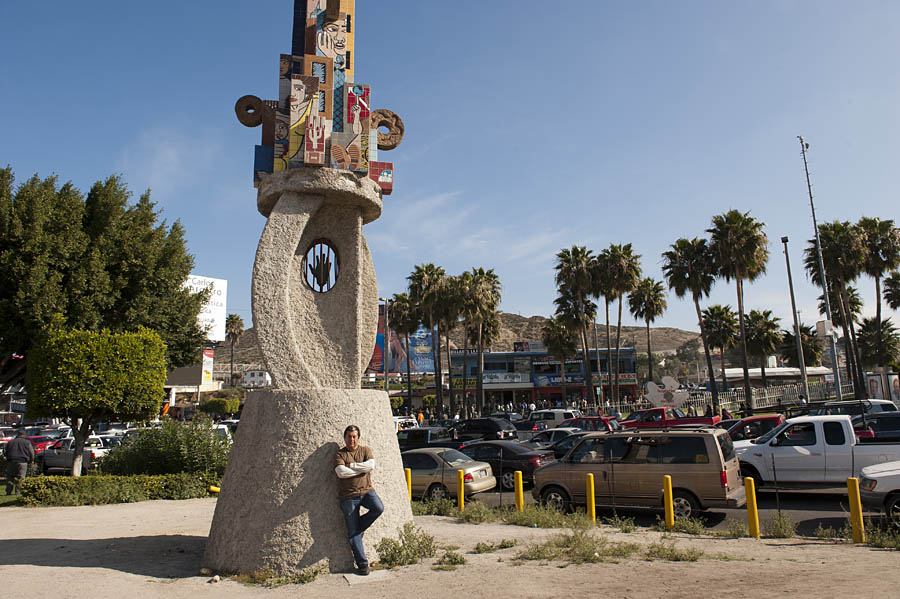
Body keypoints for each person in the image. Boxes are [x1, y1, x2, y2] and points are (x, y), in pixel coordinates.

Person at [334, 425, 383, 576]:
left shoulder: (365, 450)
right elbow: (341, 472)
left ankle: (358, 528)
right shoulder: (340, 454)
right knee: (353, 532)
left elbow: (370, 465)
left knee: (378, 508)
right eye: (349, 436)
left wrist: (352, 466)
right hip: (348, 497)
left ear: (358, 438)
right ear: (345, 438)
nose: (352, 439)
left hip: (367, 491)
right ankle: (362, 564)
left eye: (354, 436)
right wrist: (361, 469)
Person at [4, 431, 35, 496]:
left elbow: (5, 452)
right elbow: (32, 453)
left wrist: (8, 458)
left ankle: (8, 492)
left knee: (10, 477)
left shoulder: (10, 442)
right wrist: (31, 461)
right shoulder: (27, 442)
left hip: (11, 461)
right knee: (20, 477)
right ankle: (18, 492)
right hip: (22, 461)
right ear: (22, 435)